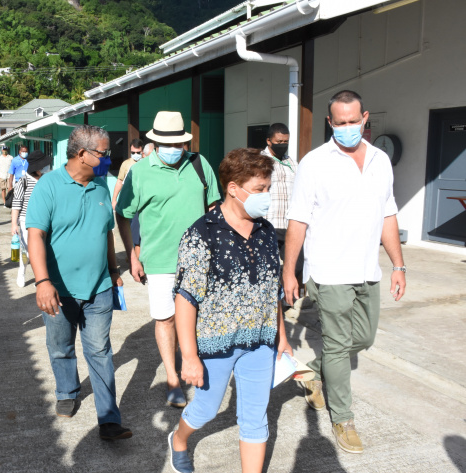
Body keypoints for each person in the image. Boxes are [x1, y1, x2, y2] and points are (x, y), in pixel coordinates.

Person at [283, 90, 406, 454]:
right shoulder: (315, 163)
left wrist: (398, 264)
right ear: (330, 122)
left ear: (365, 117)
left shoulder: (381, 161)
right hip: (328, 269)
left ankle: (315, 372)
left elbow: (388, 214)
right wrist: (290, 271)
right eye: (341, 123)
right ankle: (343, 418)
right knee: (338, 345)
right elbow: (298, 220)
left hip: (368, 269)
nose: (348, 128)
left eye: (354, 121)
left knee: (364, 339)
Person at [168, 148, 293, 473]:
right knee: (206, 410)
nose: (266, 197)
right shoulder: (201, 234)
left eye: (268, 188)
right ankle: (179, 439)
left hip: (260, 343)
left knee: (254, 418)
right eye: (259, 189)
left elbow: (271, 289)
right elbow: (185, 298)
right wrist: (190, 355)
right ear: (233, 188)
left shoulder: (266, 231)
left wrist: (281, 335)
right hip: (214, 345)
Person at [26, 124, 132, 441]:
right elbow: (35, 236)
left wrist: (114, 271)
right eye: (103, 152)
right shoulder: (48, 187)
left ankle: (109, 419)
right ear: (82, 153)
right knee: (60, 347)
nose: (108, 158)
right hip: (58, 290)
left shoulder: (101, 186)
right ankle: (68, 389)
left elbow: (106, 233)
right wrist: (42, 281)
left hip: (98, 288)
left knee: (99, 351)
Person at [116, 111, 221, 408]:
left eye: (179, 143)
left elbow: (214, 207)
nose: (174, 149)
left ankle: (195, 364)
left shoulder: (200, 164)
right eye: (167, 143)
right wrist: (133, 255)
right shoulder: (140, 172)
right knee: (166, 318)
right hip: (159, 260)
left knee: (200, 318)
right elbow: (122, 216)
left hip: (200, 260)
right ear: (156, 142)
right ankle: (173, 380)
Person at [261, 123, 302, 297]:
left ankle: (289, 298)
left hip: (290, 225)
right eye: (279, 141)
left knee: (295, 265)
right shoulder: (259, 162)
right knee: (268, 266)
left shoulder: (292, 162)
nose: (282, 144)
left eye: (286, 141)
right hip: (268, 223)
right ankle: (272, 299)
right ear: (269, 141)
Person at [11, 150, 51, 288]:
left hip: (45, 220)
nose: (47, 168)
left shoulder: (47, 180)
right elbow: (16, 204)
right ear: (37, 167)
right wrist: (13, 224)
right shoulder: (23, 181)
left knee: (42, 249)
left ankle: (39, 277)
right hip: (25, 221)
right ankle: (22, 271)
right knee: (27, 251)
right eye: (44, 166)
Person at [111, 138, 144, 211]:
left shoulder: (147, 163)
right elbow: (120, 181)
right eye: (133, 152)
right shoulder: (126, 164)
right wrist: (114, 200)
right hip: (129, 201)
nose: (135, 154)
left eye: (138, 152)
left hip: (144, 201)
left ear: (142, 151)